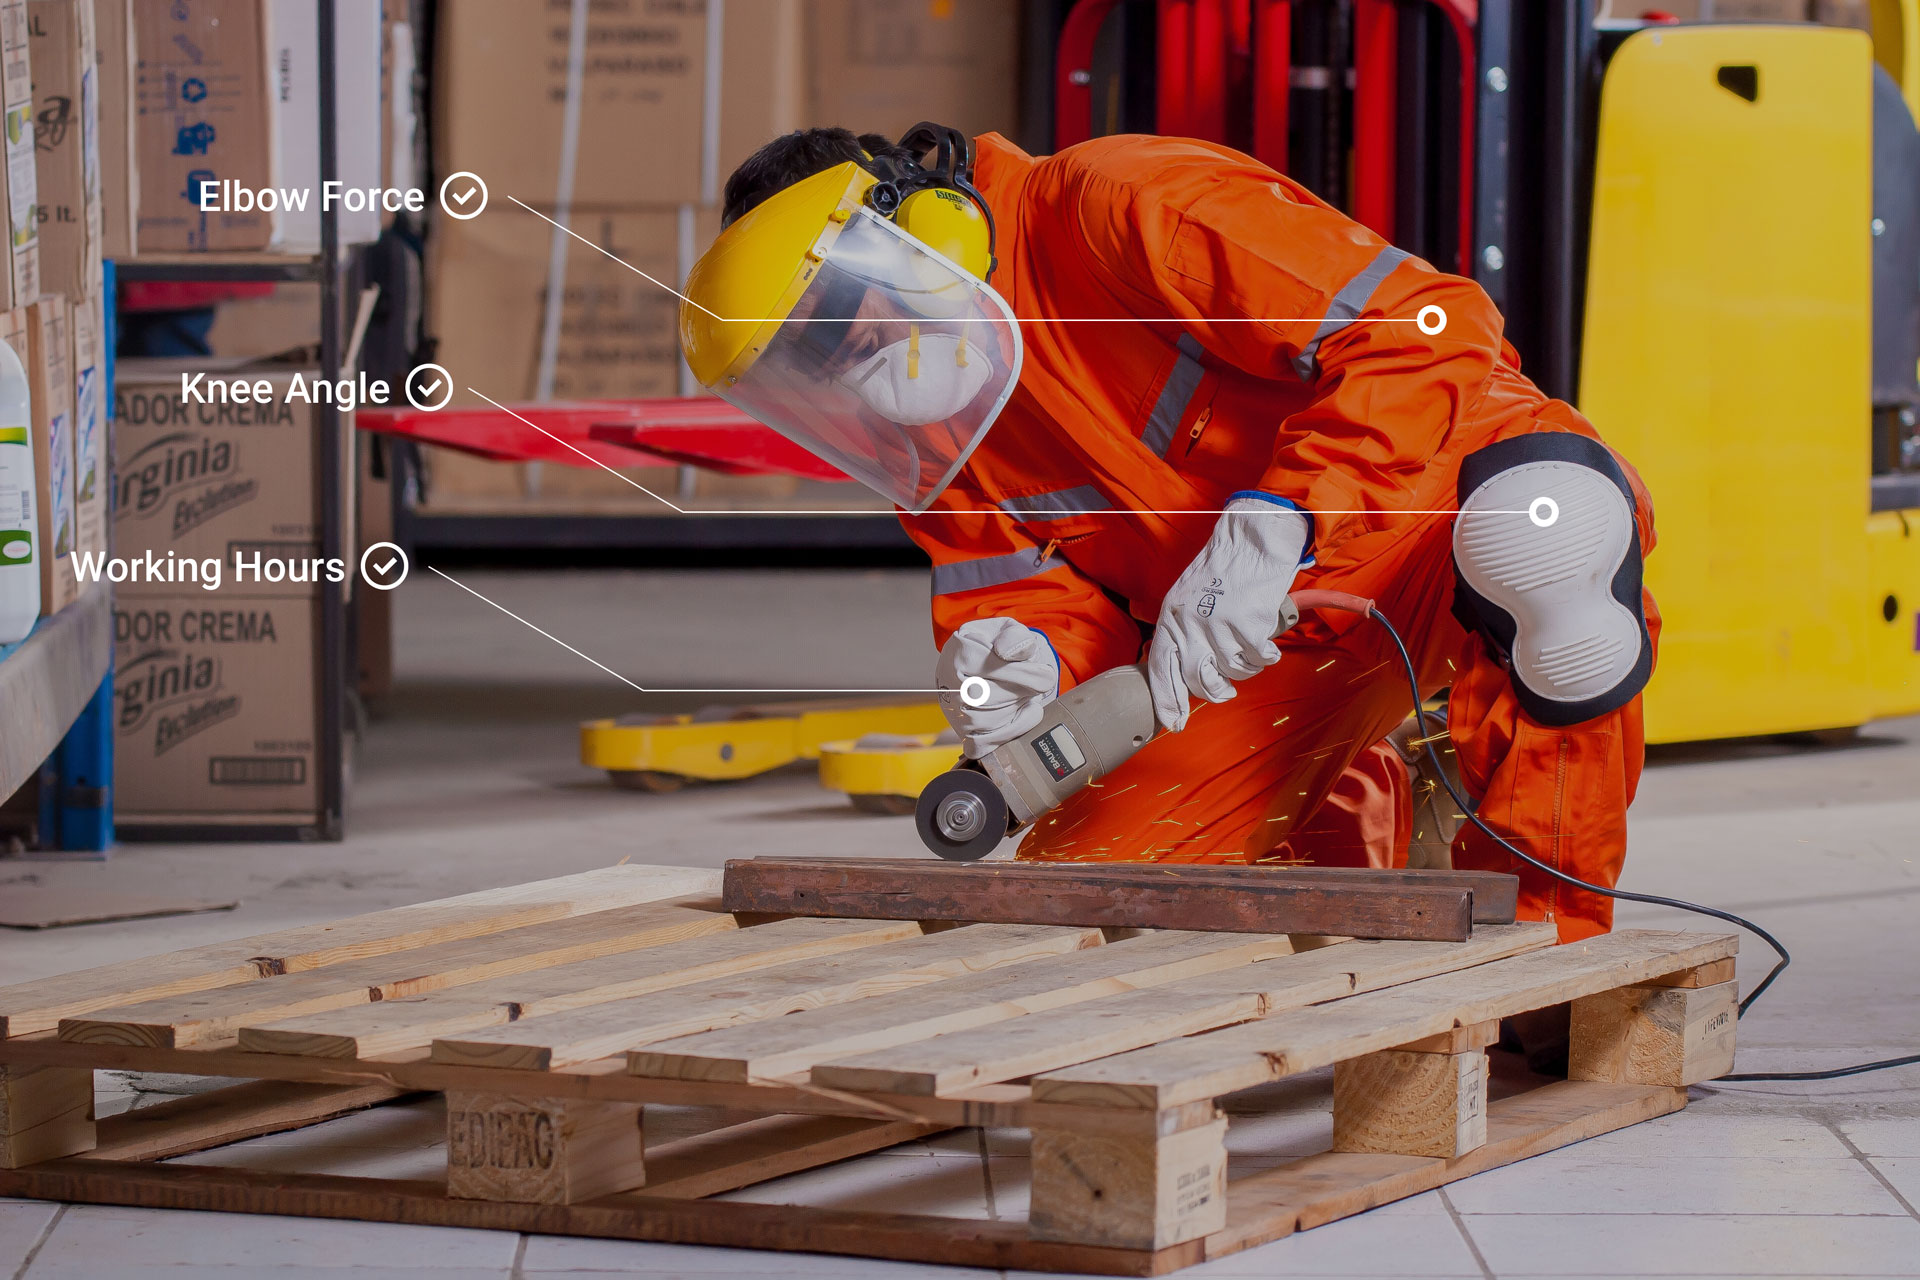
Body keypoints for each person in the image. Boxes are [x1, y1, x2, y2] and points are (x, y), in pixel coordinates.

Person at [680, 125, 1660, 944]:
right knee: (1084, 910)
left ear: (922, 228)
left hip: (1430, 510)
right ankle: (1379, 811)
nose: (856, 376)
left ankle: (1548, 962)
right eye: (815, 368)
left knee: (1549, 539)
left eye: (849, 324)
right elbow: (1034, 600)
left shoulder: (1118, 204)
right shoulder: (933, 432)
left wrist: (1287, 513)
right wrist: (1011, 666)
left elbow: (1432, 323)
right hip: (1262, 648)